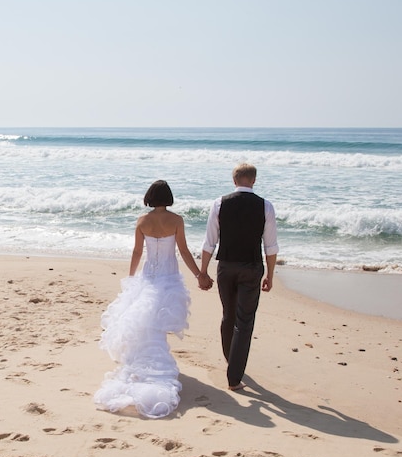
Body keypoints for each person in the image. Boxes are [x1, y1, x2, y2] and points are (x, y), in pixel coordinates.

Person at [94, 180, 213, 418]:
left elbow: (137, 252)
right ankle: (157, 367)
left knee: (146, 322)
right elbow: (183, 250)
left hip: (148, 277)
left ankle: (145, 363)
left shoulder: (142, 221)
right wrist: (199, 274)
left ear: (149, 197)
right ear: (168, 197)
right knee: (157, 323)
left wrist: (131, 278)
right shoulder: (176, 220)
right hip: (168, 278)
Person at [199, 163, 279, 391]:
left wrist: (203, 271)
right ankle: (234, 377)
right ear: (253, 180)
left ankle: (230, 360)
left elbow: (209, 242)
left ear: (234, 181)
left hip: (225, 266)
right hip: (252, 267)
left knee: (228, 315)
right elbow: (270, 246)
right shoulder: (265, 206)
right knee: (244, 321)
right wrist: (270, 275)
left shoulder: (219, 204)